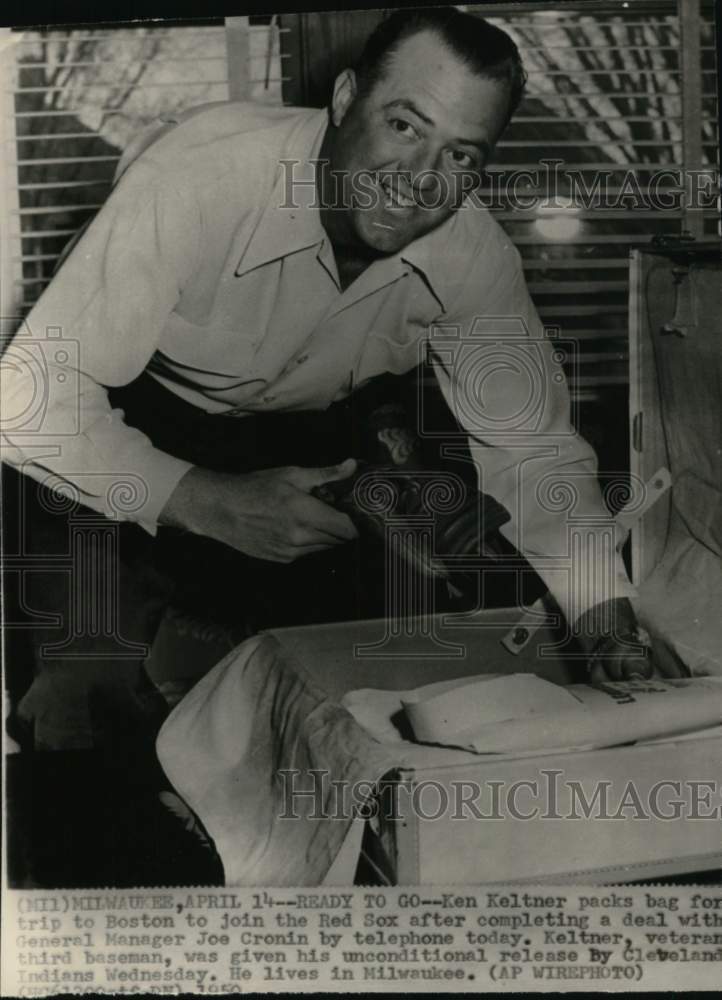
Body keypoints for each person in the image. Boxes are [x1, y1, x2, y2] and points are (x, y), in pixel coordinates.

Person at [1, 7, 686, 757]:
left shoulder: (474, 257)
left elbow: (535, 455)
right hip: (111, 419)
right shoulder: (196, 181)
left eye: (462, 156)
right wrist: (202, 501)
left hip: (311, 432)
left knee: (338, 703)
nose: (421, 181)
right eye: (404, 126)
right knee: (80, 712)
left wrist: (609, 622)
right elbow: (31, 396)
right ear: (343, 98)